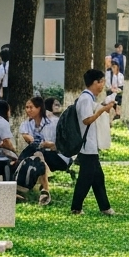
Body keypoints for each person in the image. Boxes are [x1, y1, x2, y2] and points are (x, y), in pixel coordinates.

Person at [71, 69, 116, 216]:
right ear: (95, 82)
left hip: (90, 145)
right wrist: (102, 110)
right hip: (86, 145)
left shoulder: (89, 99)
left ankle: (105, 207)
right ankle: (76, 208)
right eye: (101, 82)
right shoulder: (85, 99)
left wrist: (103, 106)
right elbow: (86, 119)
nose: (103, 85)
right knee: (86, 178)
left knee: (98, 178)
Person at [18, 96, 64, 205]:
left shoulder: (53, 122)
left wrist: (51, 145)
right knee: (35, 154)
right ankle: (44, 191)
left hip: (54, 155)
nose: (28, 110)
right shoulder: (26, 124)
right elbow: (27, 137)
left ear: (39, 108)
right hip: (37, 152)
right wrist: (36, 142)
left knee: (38, 154)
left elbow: (61, 143)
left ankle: (45, 190)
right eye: (26, 107)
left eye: (31, 107)